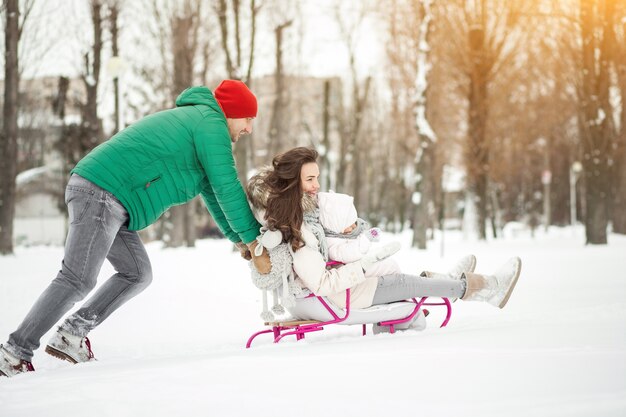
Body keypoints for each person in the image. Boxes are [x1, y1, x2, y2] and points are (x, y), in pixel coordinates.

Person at [0, 80, 270, 378]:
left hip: (114, 200)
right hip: (102, 191)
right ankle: (14, 352)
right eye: (247, 119)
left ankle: (71, 334)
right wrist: (254, 239)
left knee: (137, 273)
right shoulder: (210, 123)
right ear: (231, 112)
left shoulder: (203, 124)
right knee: (77, 278)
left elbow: (213, 192)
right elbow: (227, 185)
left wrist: (239, 239)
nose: (248, 129)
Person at [246, 147, 522, 326]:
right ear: (293, 183)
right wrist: (362, 266)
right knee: (404, 282)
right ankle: (483, 288)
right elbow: (320, 283)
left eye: (317, 177)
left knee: (395, 274)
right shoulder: (297, 230)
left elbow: (331, 247)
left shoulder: (306, 218)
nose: (317, 186)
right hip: (338, 297)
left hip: (342, 290)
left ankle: (448, 281)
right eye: (309, 180)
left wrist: (351, 235)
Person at [317, 191, 402, 278]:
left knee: (390, 265)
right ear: (336, 226)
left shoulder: (340, 234)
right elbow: (350, 253)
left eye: (354, 222)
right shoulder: (332, 243)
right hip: (351, 271)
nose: (354, 226)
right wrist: (366, 238)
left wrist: (364, 234)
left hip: (358, 266)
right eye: (350, 224)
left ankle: (397, 282)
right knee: (390, 266)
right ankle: (399, 285)